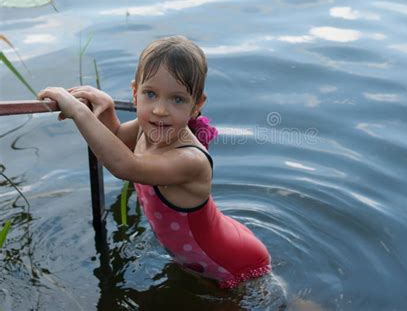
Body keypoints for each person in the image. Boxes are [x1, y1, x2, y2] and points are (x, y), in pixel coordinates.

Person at [37, 35, 271, 289]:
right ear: (135, 93)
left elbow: (125, 166)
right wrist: (106, 110)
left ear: (196, 105)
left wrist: (79, 112)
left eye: (177, 99)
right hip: (206, 248)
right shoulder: (148, 127)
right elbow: (115, 139)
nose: (160, 109)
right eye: (150, 94)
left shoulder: (190, 160)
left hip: (228, 261)